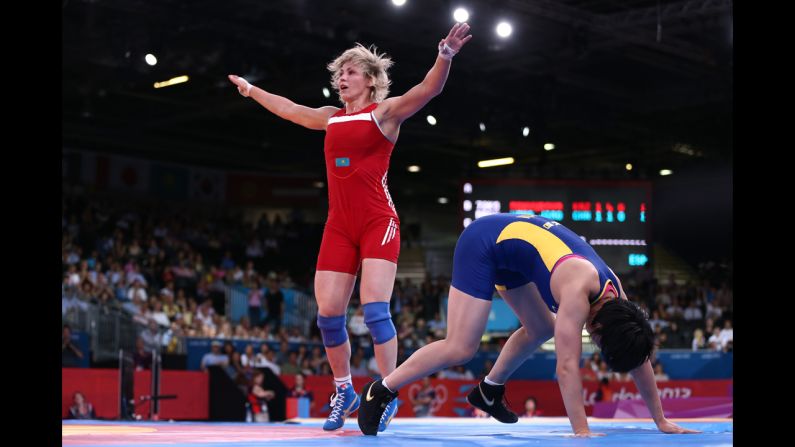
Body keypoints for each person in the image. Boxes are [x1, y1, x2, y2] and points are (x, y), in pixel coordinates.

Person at [228, 22, 472, 432]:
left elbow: (428, 89)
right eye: (339, 73)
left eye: (350, 73)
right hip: (339, 226)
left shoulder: (385, 113)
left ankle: (386, 391)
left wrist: (444, 55)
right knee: (327, 315)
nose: (341, 79)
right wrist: (252, 91)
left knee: (375, 310)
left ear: (371, 81)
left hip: (379, 222)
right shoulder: (330, 118)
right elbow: (289, 109)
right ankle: (345, 390)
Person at [358, 213, 699, 436]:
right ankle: (381, 389)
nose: (592, 341)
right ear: (595, 326)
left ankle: (489, 390)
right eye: (596, 339)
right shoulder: (577, 294)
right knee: (461, 347)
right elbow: (566, 368)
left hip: (514, 254)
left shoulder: (619, 304)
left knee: (541, 327)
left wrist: (661, 420)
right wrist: (581, 431)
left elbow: (639, 358)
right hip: (483, 243)